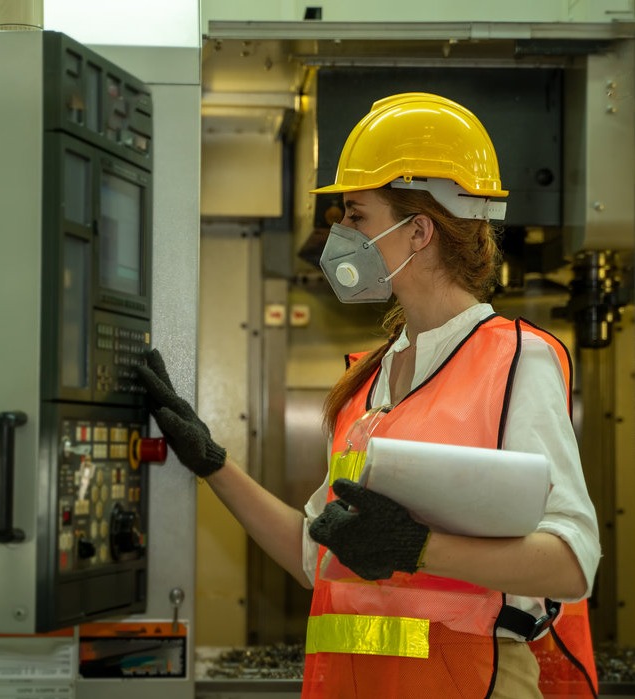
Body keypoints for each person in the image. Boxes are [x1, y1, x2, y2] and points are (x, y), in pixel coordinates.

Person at [137, 92, 601, 698]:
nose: (341, 234)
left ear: (419, 231)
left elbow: (570, 563)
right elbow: (315, 555)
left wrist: (419, 548)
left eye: (357, 216)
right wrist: (212, 463)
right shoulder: (369, 381)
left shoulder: (515, 359)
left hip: (469, 683)